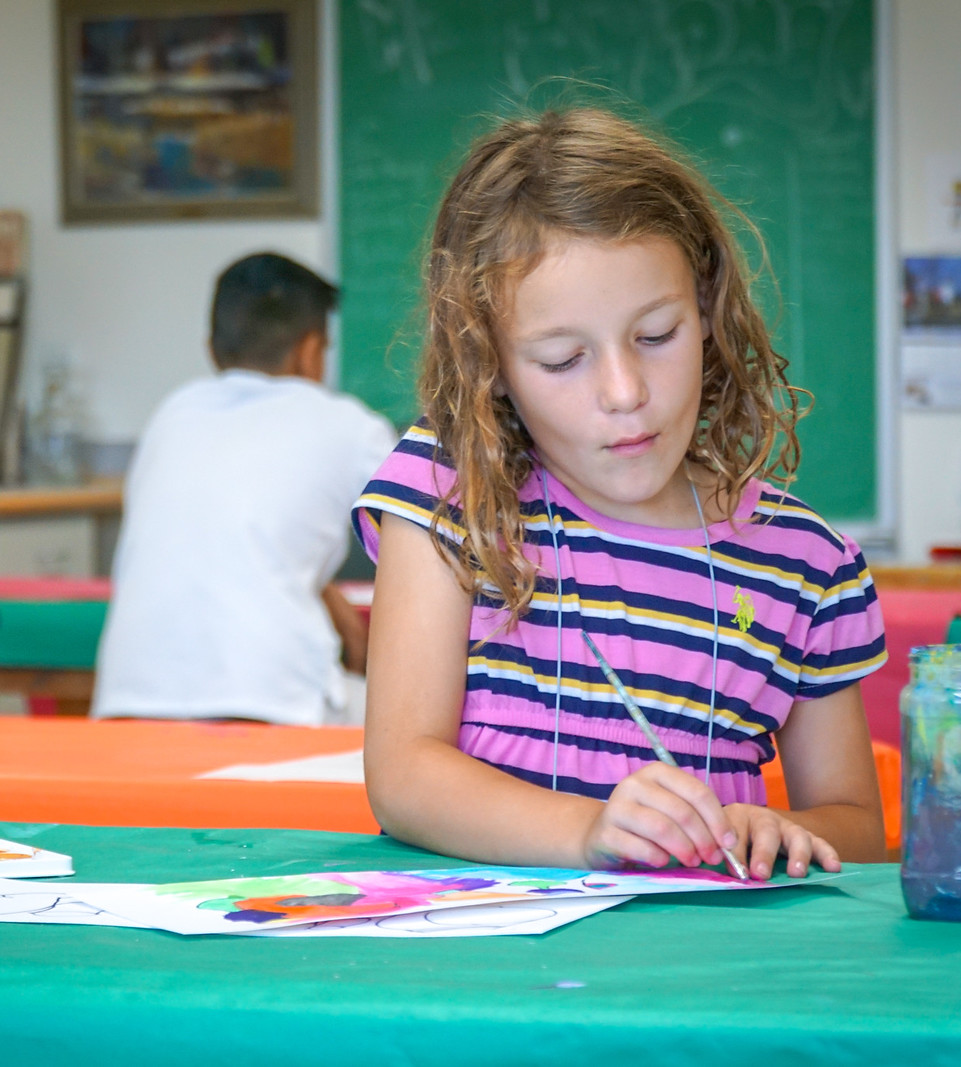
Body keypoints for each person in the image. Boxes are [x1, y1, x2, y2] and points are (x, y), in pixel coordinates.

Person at [353, 109, 888, 878]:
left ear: (706, 308)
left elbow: (859, 828)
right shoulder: (452, 489)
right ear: (491, 362)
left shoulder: (805, 563)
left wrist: (777, 828)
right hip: (494, 971)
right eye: (563, 358)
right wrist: (587, 832)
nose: (624, 391)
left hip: (699, 969)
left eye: (656, 335)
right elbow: (402, 775)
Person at [93, 252, 395, 726]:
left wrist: (324, 593)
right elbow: (439, 538)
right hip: (274, 705)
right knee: (412, 730)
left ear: (212, 350)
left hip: (127, 705)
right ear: (310, 350)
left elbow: (224, 544)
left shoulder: (171, 415)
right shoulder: (349, 426)